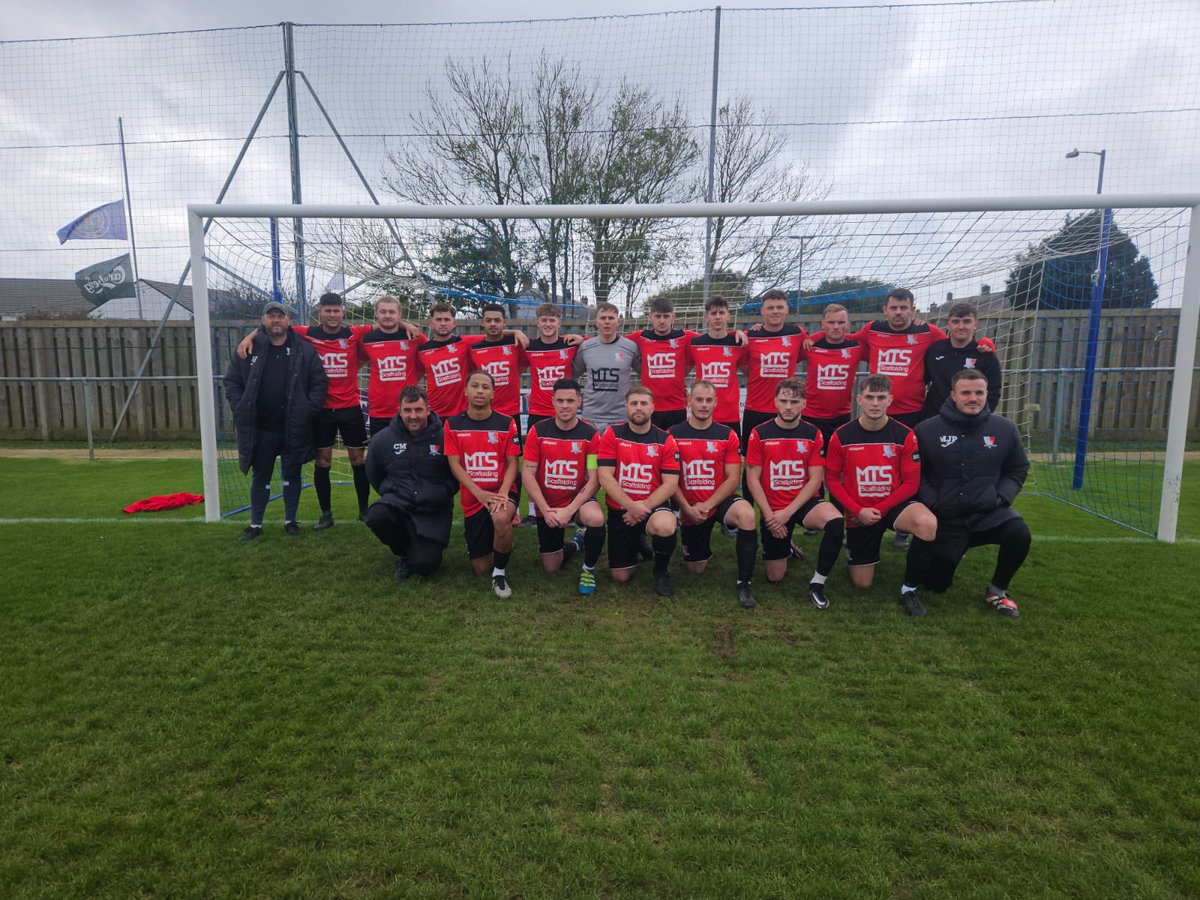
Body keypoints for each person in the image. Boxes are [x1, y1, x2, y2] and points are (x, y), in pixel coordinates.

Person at [904, 369, 1031, 618]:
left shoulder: (1004, 429)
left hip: (986, 514)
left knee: (1019, 532)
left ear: (986, 394)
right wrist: (933, 501)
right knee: (935, 585)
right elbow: (916, 473)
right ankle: (953, 552)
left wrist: (1000, 497)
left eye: (979, 393)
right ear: (953, 395)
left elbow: (1018, 468)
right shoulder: (926, 430)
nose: (973, 398)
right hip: (945, 518)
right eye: (966, 393)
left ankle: (998, 590)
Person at [823, 375, 938, 599]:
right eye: (870, 397)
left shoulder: (905, 435)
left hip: (892, 506)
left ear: (890, 400)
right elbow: (832, 480)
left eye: (881, 397)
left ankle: (910, 588)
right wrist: (857, 511)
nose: (875, 403)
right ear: (859, 399)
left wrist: (880, 509)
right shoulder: (841, 435)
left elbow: (911, 484)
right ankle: (854, 550)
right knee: (862, 583)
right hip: (860, 512)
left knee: (927, 522)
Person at [223, 300, 327, 540]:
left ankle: (291, 521)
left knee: (292, 474)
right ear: (263, 320)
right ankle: (255, 524)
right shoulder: (248, 349)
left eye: (280, 316)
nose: (276, 320)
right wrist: (240, 407)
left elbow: (318, 383)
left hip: (293, 426)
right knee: (261, 475)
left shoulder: (304, 350)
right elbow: (232, 381)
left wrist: (307, 409)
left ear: (288, 320)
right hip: (261, 427)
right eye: (271, 316)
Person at [745, 378, 845, 609]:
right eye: (784, 401)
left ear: (804, 404)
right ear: (775, 402)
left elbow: (816, 479)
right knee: (775, 576)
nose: (788, 407)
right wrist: (770, 516)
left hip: (802, 504)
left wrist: (788, 513)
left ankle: (817, 584)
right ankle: (787, 544)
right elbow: (752, 478)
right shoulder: (759, 433)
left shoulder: (813, 433)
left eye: (794, 402)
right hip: (773, 509)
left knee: (836, 521)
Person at [670, 380, 759, 609]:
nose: (704, 405)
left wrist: (708, 505)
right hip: (689, 505)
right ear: (689, 401)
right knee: (696, 569)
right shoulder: (674, 434)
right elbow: (669, 481)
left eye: (709, 400)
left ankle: (744, 582)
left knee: (747, 514)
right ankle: (701, 546)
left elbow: (733, 479)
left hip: (718, 501)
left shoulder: (727, 434)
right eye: (699, 399)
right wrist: (687, 508)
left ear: (715, 403)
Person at [521, 378, 607, 592]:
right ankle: (577, 543)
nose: (565, 405)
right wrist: (544, 509)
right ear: (553, 402)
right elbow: (528, 474)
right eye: (560, 401)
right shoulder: (538, 431)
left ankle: (588, 569)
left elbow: (594, 478)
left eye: (570, 400)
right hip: (548, 505)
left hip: (577, 501)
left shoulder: (590, 435)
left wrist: (569, 510)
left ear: (579, 402)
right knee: (551, 567)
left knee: (596, 518)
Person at [363, 386, 457, 579]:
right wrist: (391, 491)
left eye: (418, 410)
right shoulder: (382, 440)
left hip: (432, 510)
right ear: (399, 411)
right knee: (377, 516)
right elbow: (374, 474)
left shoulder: (445, 437)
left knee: (426, 565)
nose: (413, 416)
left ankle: (419, 552)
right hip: (398, 504)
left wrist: (442, 492)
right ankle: (404, 553)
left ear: (428, 410)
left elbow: (456, 475)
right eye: (408, 410)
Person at [596, 386, 681, 597]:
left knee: (665, 525)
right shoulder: (612, 434)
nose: (638, 408)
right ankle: (638, 543)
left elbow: (670, 484)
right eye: (634, 403)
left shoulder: (665, 439)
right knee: (621, 577)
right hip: (621, 511)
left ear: (652, 408)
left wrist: (642, 507)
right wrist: (631, 506)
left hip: (652, 507)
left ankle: (661, 572)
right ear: (626, 407)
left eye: (644, 403)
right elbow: (605, 476)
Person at [444, 370, 522, 598]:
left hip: (501, 490)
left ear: (493, 394)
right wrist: (478, 493)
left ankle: (500, 574)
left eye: (485, 387)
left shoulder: (506, 423)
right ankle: (499, 539)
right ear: (465, 391)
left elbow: (513, 463)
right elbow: (454, 464)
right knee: (480, 567)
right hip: (474, 497)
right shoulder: (452, 424)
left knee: (500, 518)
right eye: (475, 386)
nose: (480, 391)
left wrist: (504, 493)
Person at [297, 292, 371, 528]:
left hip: (350, 407)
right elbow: (275, 327)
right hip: (322, 409)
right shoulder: (307, 333)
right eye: (327, 310)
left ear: (343, 312)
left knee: (357, 459)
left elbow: (387, 322)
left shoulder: (354, 333)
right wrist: (249, 339)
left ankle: (364, 510)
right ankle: (326, 514)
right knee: (323, 461)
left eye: (336, 310)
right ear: (319, 312)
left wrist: (407, 325)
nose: (332, 315)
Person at [741, 288, 807, 448]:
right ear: (762, 311)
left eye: (779, 307)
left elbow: (813, 347)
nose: (775, 311)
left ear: (787, 309)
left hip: (787, 408)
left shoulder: (797, 334)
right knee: (751, 458)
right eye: (770, 308)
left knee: (786, 456)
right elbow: (744, 365)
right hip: (756, 408)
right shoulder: (750, 336)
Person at [358, 295, 427, 436]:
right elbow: (358, 362)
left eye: (392, 312)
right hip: (379, 408)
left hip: (409, 407)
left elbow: (428, 362)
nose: (387, 316)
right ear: (376, 313)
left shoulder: (414, 337)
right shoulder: (367, 339)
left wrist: (412, 379)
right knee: (381, 448)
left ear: (399, 314)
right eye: (383, 312)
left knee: (413, 448)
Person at [626, 297, 698, 430]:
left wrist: (736, 333)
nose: (662, 321)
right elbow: (612, 341)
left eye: (666, 316)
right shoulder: (641, 337)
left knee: (674, 443)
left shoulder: (685, 337)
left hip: (676, 407)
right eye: (658, 316)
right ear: (650, 317)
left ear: (673, 317)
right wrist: (585, 340)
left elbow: (714, 338)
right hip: (649, 407)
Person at [922, 302, 1002, 420]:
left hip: (970, 421)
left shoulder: (985, 355)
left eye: (966, 321)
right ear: (948, 325)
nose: (961, 326)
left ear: (975, 325)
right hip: (935, 418)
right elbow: (921, 381)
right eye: (956, 321)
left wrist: (979, 418)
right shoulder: (935, 349)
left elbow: (993, 393)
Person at [801, 303, 865, 445]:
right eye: (831, 322)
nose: (836, 327)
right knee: (812, 458)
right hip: (811, 416)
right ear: (823, 324)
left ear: (847, 324)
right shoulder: (810, 347)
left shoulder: (857, 347)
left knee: (838, 458)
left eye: (840, 322)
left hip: (841, 417)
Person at [685, 295, 748, 437]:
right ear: (706, 317)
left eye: (721, 313)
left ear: (728, 316)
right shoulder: (695, 344)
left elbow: (750, 372)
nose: (718, 317)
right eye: (713, 313)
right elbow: (682, 372)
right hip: (702, 415)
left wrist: (739, 332)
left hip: (730, 415)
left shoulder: (738, 343)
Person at [573, 301, 640, 434]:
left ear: (618, 321)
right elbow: (571, 374)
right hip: (591, 417)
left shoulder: (630, 347)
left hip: (621, 417)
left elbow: (646, 374)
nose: (607, 322)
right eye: (603, 318)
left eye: (611, 318)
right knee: (591, 449)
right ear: (596, 322)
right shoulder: (586, 347)